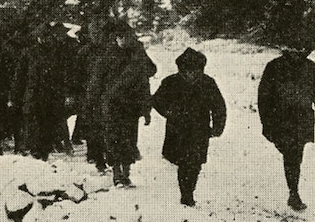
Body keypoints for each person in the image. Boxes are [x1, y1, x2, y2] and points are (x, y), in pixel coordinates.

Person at [257, 39, 315, 211]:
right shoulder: (274, 66)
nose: (297, 53)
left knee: (294, 155)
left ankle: (294, 193)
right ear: (286, 49)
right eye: (293, 49)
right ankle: (293, 190)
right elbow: (264, 97)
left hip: (302, 118)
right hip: (280, 118)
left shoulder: (310, 67)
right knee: (289, 152)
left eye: (300, 50)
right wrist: (266, 122)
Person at [152, 48, 227, 206]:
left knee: (195, 163)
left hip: (199, 130)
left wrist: (218, 126)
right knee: (183, 162)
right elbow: (157, 100)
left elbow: (219, 106)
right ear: (181, 69)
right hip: (177, 129)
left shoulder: (208, 83)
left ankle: (188, 192)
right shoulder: (171, 82)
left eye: (195, 71)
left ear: (201, 69)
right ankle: (186, 193)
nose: (191, 75)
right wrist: (168, 112)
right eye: (187, 71)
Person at [86, 19, 157, 186]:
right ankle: (117, 174)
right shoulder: (107, 55)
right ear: (115, 38)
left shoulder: (138, 54)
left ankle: (126, 173)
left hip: (131, 106)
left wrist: (146, 109)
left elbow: (150, 74)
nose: (124, 40)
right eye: (120, 37)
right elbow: (96, 82)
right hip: (111, 105)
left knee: (130, 140)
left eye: (127, 37)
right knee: (113, 139)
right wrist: (90, 103)